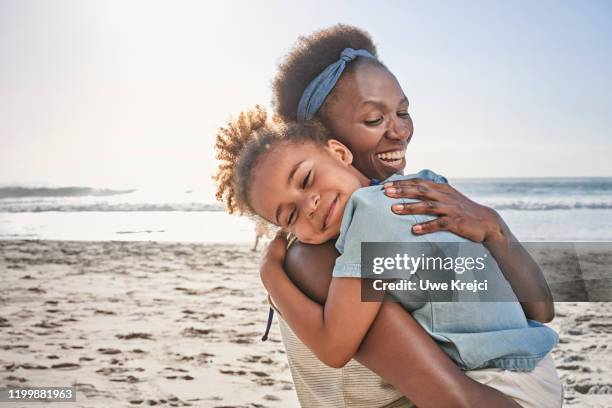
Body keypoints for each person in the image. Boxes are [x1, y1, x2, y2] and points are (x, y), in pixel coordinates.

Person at [214, 109, 563, 407]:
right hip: (528, 366)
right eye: (289, 216)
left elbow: (334, 347)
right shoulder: (418, 187)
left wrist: (271, 275)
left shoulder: (371, 215)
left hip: (503, 385)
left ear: (338, 152)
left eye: (306, 179)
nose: (310, 205)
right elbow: (541, 309)